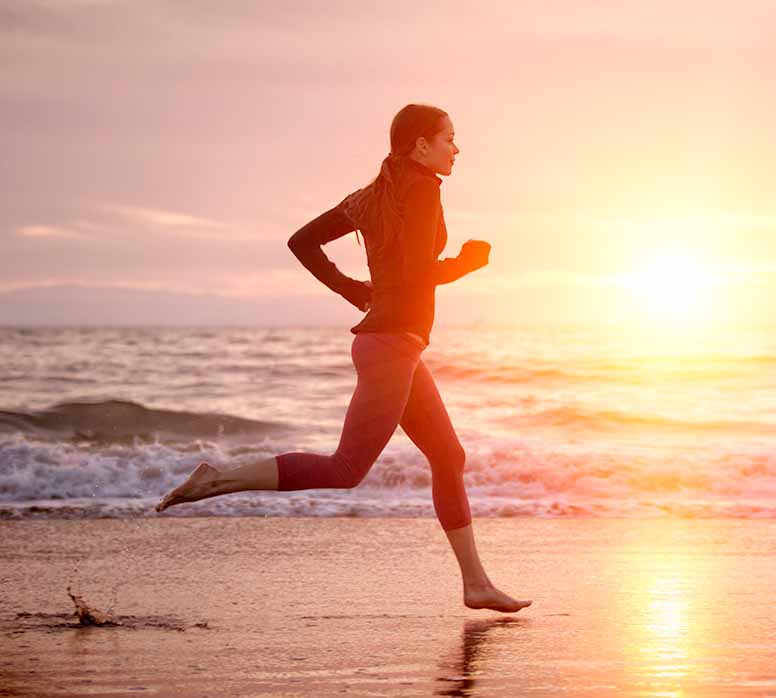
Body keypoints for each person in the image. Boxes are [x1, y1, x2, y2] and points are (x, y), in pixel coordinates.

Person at [154, 104, 531, 614]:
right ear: (421, 145)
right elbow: (419, 273)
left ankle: (476, 584)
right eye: (449, 139)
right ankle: (216, 479)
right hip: (392, 344)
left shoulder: (372, 195)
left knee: (448, 457)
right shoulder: (422, 190)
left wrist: (354, 289)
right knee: (348, 466)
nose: (456, 149)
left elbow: (302, 241)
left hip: (396, 345)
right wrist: (466, 263)